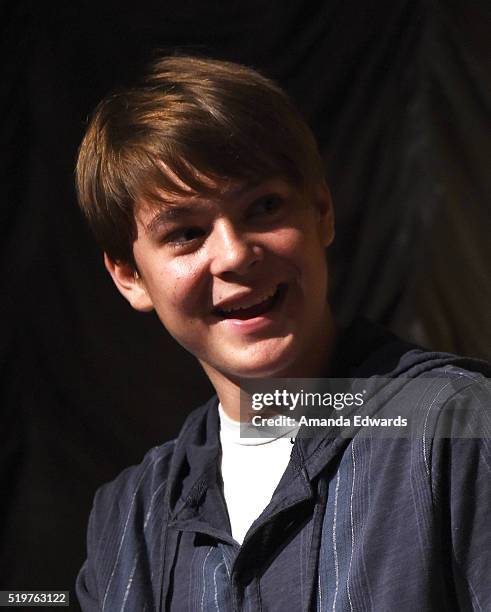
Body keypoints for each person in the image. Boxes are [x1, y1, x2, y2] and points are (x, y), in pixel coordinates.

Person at [75, 56, 491, 611]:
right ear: (130, 276)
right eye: (186, 233)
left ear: (321, 211)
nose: (235, 254)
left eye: (263, 207)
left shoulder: (457, 431)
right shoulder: (130, 520)